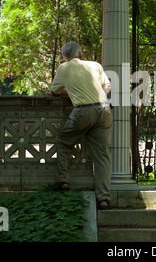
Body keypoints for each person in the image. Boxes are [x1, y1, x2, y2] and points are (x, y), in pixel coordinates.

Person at [51, 41, 113, 210]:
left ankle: (63, 181)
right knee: (102, 156)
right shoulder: (95, 65)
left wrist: (70, 91)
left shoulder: (64, 68)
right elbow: (108, 87)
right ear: (80, 54)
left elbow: (54, 91)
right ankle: (104, 199)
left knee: (64, 143)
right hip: (104, 110)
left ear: (65, 57)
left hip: (82, 112)